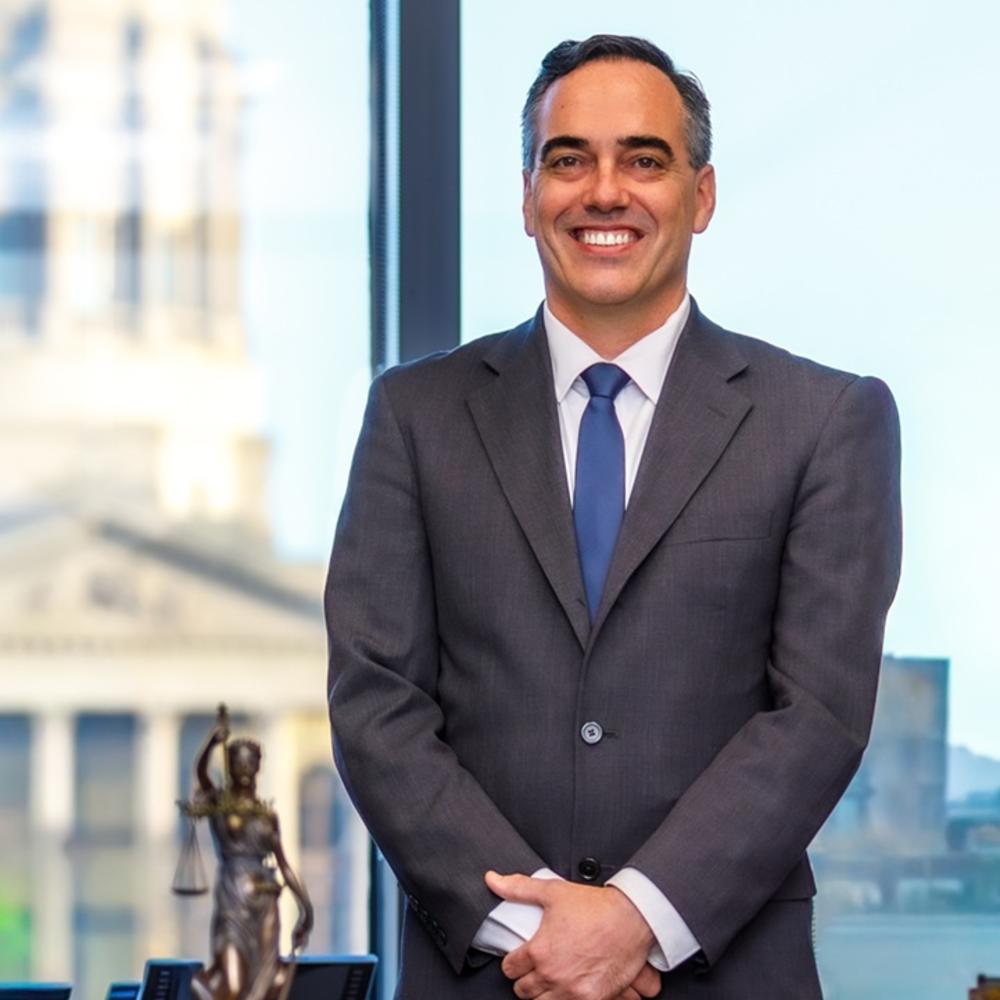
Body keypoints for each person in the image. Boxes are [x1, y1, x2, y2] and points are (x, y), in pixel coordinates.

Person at [325, 34, 901, 1000]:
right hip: (489, 970)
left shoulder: (827, 421)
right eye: (568, 159)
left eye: (644, 159)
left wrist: (639, 917)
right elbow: (375, 703)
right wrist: (540, 927)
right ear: (526, 197)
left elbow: (818, 714)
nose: (604, 192)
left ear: (701, 196)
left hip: (726, 972)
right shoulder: (413, 416)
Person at [187, 707, 314, 1000]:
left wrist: (306, 909)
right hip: (233, 898)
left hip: (266, 905)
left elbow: (284, 864)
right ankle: (197, 987)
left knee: (269, 987)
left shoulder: (267, 815)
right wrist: (212, 743)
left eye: (249, 764)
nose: (243, 770)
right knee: (231, 987)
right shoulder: (220, 803)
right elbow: (202, 773)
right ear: (230, 767)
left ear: (258, 767)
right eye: (237, 764)